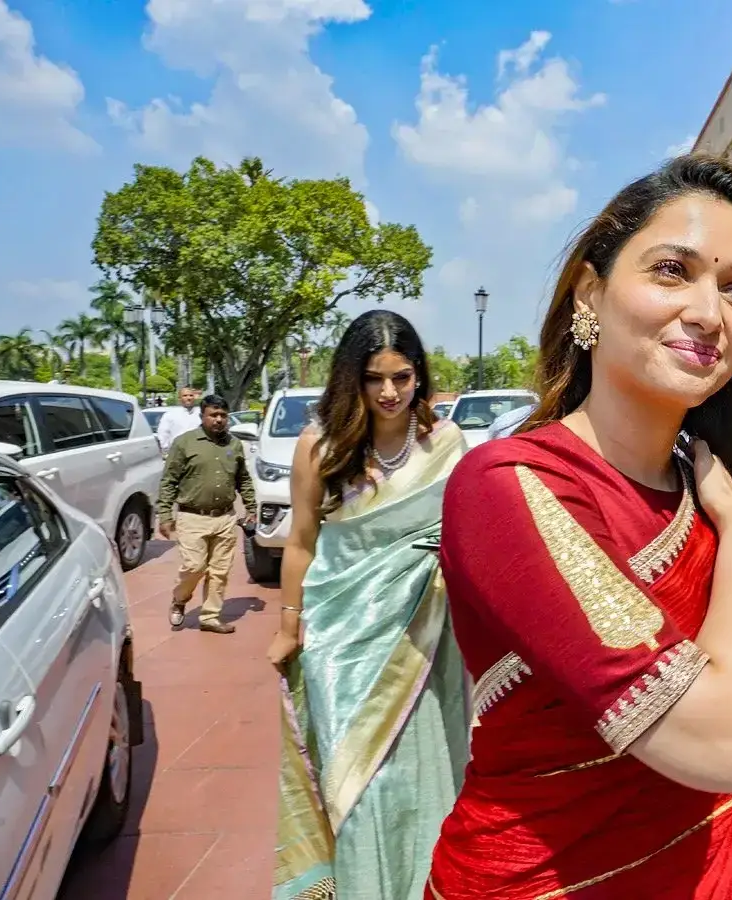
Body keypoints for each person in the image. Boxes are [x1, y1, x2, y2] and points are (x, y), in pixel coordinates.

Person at [428, 156, 732, 900]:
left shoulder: (699, 489)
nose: (710, 312)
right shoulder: (511, 486)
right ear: (590, 292)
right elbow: (723, 743)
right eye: (673, 270)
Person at [268, 310, 470, 900]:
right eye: (374, 378)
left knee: (421, 775)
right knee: (359, 785)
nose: (389, 392)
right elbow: (301, 542)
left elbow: (469, 536)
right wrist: (289, 627)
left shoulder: (446, 442)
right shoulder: (321, 447)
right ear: (350, 379)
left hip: (424, 636)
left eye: (402, 378)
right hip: (339, 641)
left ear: (419, 377)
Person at [157, 394, 255, 634]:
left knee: (219, 571)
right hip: (192, 517)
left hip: (224, 517)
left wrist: (251, 507)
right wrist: (165, 514)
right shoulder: (185, 443)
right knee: (194, 567)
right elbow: (169, 480)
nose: (219, 420)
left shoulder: (234, 445)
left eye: (223, 415)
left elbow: (243, 479)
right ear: (202, 416)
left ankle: (210, 617)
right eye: (213, 415)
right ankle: (180, 599)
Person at [157, 386, 201, 453]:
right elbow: (163, 434)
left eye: (191, 395)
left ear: (194, 397)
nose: (188, 398)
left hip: (198, 452)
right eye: (185, 396)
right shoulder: (170, 415)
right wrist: (166, 450)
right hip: (177, 453)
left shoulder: (201, 413)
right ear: (179, 398)